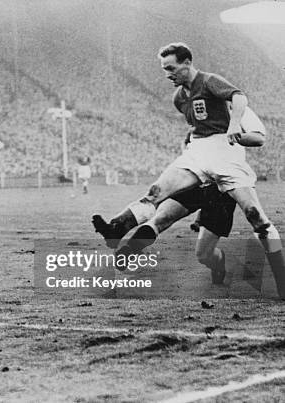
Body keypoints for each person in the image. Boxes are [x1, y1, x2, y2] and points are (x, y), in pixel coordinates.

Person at [92, 42, 285, 298]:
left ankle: (277, 276)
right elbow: (197, 125)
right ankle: (117, 228)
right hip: (199, 157)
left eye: (171, 68)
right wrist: (190, 140)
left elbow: (252, 125)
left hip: (225, 166)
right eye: (164, 69)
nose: (167, 74)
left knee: (250, 220)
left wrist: (235, 128)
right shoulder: (180, 98)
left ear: (186, 63)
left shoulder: (222, 92)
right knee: (157, 199)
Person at [115, 184, 235, 284]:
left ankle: (218, 259)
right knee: (161, 219)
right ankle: (131, 248)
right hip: (196, 180)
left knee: (203, 255)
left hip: (221, 191)